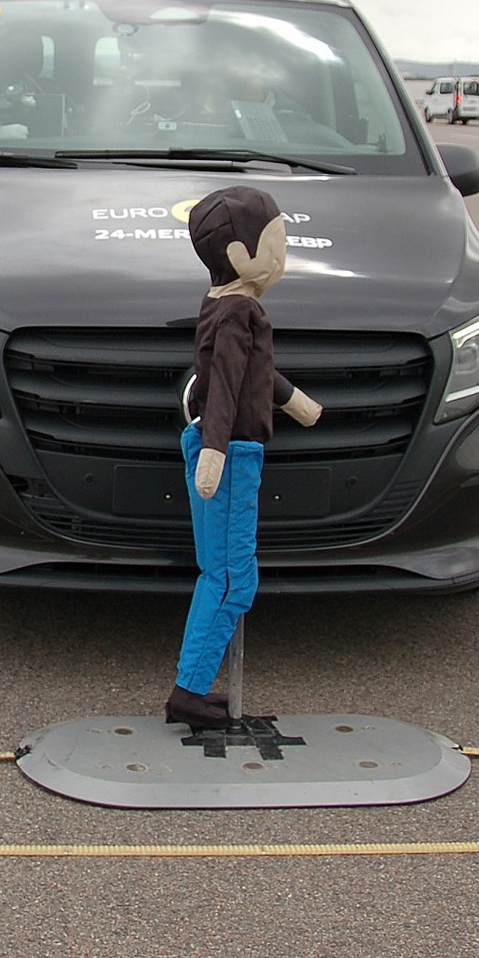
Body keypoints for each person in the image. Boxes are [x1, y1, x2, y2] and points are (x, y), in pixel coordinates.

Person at [164, 186, 322, 729]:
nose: (282, 256)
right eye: (275, 245)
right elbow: (226, 385)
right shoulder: (239, 312)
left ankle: (191, 685)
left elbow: (251, 372)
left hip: (221, 448)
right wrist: (215, 454)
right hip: (231, 454)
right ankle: (190, 692)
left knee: (218, 572)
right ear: (239, 256)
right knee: (234, 579)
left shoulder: (224, 306)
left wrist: (294, 401)